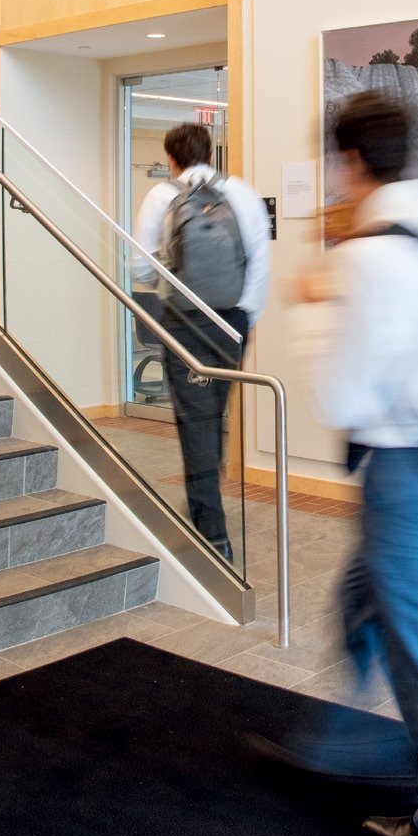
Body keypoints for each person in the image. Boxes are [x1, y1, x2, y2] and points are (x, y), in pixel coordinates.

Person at [279, 91, 418, 836]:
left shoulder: (370, 258)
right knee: (360, 601)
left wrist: (308, 300)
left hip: (400, 466)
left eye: (335, 159)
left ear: (353, 160)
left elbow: (343, 394)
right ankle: (338, 741)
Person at [132, 123, 272, 562]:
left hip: (183, 321)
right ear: (210, 153)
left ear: (172, 157)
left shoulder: (161, 196)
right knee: (215, 413)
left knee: (196, 421)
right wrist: (245, 316)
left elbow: (138, 268)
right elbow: (260, 260)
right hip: (233, 321)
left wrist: (169, 274)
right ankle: (205, 502)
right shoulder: (242, 193)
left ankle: (212, 533)